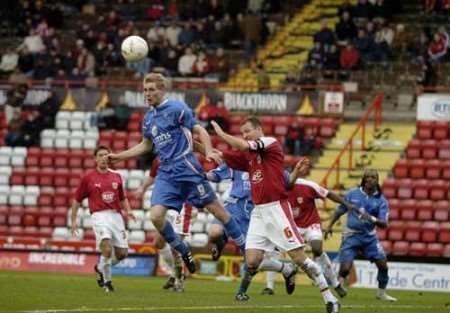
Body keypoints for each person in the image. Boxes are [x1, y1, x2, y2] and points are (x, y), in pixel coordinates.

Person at [107, 73, 245, 274]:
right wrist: (120, 156)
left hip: (186, 167)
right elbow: (146, 145)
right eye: (145, 90)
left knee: (219, 212)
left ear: (162, 90)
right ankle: (183, 250)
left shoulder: (177, 108)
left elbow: (201, 131)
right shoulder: (148, 119)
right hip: (166, 172)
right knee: (155, 216)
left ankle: (244, 247)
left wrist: (208, 151)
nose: (147, 93)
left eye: (152, 89)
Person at [210, 117, 340, 313]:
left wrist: (221, 135)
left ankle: (330, 298)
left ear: (259, 130)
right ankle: (285, 270)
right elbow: (228, 157)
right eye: (242, 132)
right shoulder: (250, 158)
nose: (245, 135)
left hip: (277, 209)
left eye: (248, 131)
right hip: (258, 212)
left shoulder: (271, 143)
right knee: (251, 260)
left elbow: (243, 145)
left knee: (299, 258)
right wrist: (210, 151)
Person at [205, 162, 297, 296]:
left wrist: (297, 171)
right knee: (214, 232)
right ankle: (220, 242)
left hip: (254, 214)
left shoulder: (270, 164)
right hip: (232, 206)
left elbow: (288, 181)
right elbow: (215, 173)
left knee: (253, 261)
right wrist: (200, 175)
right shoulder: (238, 160)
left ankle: (286, 270)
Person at [324, 169, 397, 302]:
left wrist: (371, 219)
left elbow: (384, 224)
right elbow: (340, 210)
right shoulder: (352, 193)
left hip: (369, 238)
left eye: (373, 177)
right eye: (368, 177)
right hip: (351, 235)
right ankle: (339, 286)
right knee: (345, 269)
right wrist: (329, 226)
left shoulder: (381, 201)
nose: (370, 179)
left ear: (377, 180)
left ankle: (381, 293)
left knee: (383, 265)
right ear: (364, 179)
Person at [70, 146, 135, 293]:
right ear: (95, 158)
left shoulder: (116, 176)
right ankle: (108, 282)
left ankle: (100, 267)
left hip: (116, 216)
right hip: (99, 216)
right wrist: (73, 221)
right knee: (106, 247)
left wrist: (129, 211)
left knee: (122, 254)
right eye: (100, 155)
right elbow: (77, 200)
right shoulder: (88, 177)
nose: (104, 158)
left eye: (106, 155)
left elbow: (122, 197)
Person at [285, 176, 357, 298]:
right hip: (292, 226)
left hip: (310, 224)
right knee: (296, 257)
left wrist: (346, 203)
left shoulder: (307, 186)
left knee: (317, 249)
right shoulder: (277, 189)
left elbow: (328, 194)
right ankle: (289, 271)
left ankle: (336, 284)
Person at [133, 157, 193, 292]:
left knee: (175, 248)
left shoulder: (185, 158)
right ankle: (174, 273)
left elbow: (196, 181)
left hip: (182, 206)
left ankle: (179, 281)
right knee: (158, 243)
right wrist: (142, 188)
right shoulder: (158, 160)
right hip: (165, 204)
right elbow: (152, 176)